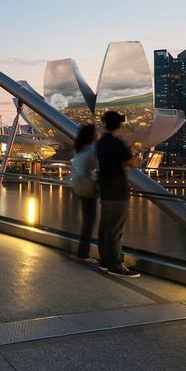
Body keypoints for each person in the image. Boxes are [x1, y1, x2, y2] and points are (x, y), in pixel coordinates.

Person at [96, 111, 141, 277]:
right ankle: (115, 265)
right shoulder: (118, 143)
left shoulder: (101, 142)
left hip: (105, 189)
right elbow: (132, 163)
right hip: (118, 190)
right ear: (119, 124)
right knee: (115, 229)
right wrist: (135, 153)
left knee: (105, 227)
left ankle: (104, 260)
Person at [70, 124, 99, 264]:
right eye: (96, 132)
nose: (98, 133)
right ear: (92, 135)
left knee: (87, 221)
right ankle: (83, 254)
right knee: (89, 221)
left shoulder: (80, 148)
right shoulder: (92, 149)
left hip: (77, 185)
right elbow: (94, 167)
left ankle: (81, 252)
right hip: (87, 186)